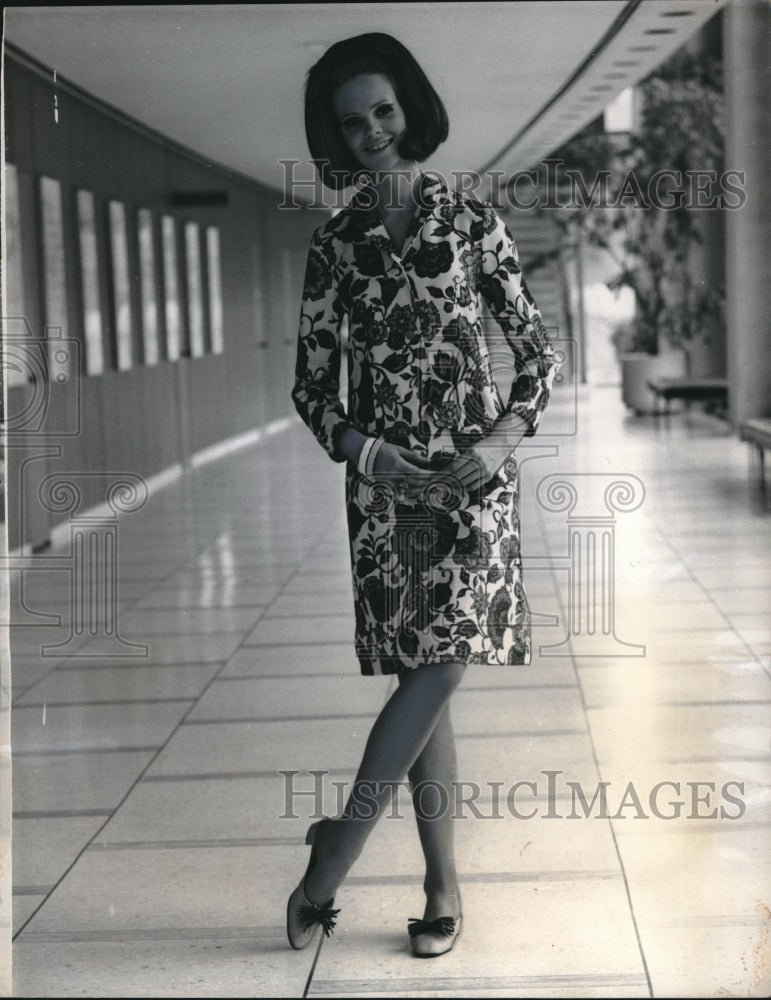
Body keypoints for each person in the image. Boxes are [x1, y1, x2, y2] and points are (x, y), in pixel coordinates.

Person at [288, 31, 559, 958]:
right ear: (334, 132)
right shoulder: (335, 245)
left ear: (410, 111)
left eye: (384, 111)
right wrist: (364, 453)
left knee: (443, 664)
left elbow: (535, 354)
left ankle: (334, 857)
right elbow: (312, 388)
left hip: (475, 479)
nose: (371, 131)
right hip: (386, 493)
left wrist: (500, 439)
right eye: (352, 120)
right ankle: (443, 887)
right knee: (425, 679)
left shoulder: (473, 222)